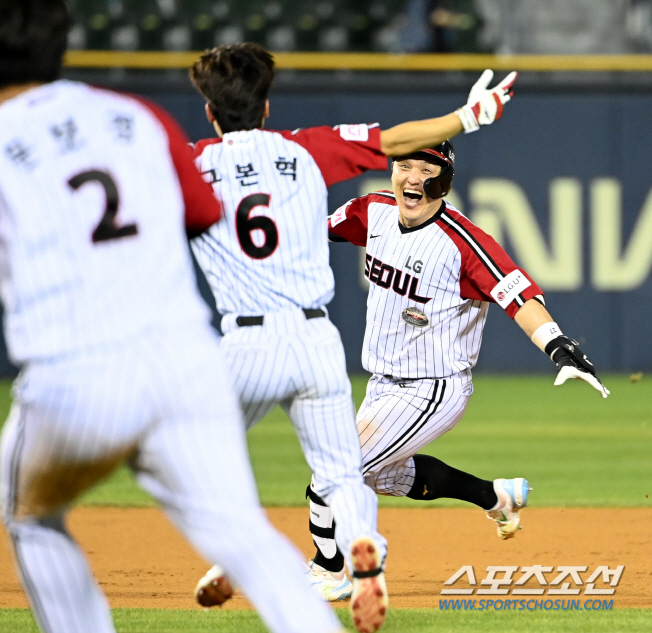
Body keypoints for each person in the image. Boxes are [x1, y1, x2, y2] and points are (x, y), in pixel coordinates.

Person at [0, 2, 349, 633]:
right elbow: (195, 213)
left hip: (72, 381)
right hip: (183, 366)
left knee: (32, 517)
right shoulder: (139, 118)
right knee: (243, 534)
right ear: (63, 45)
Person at [184, 41, 517, 623]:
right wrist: (468, 118)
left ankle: (281, 560)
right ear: (266, 109)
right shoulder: (304, 150)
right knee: (345, 469)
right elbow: (393, 139)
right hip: (315, 341)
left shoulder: (190, 160)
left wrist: (6, 109)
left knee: (203, 455)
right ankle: (367, 545)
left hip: (245, 342)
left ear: (210, 113)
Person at [304, 139, 609, 596]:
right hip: (381, 385)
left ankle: (329, 573)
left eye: (424, 168)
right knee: (388, 477)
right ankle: (497, 497)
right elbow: (310, 228)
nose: (410, 177)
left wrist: (556, 344)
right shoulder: (371, 212)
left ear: (443, 179)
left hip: (433, 388)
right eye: (403, 164)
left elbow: (517, 295)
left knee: (335, 468)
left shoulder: (464, 243)